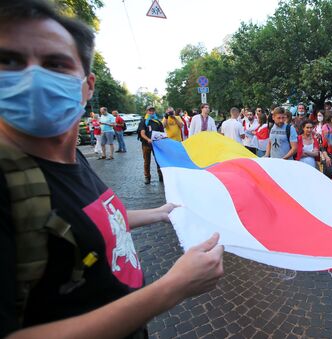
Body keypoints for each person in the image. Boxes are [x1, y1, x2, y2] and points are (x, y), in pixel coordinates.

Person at [0, 1, 224, 337]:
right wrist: (172, 287)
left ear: (87, 85)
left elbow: (96, 219)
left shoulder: (74, 158)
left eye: (55, 64)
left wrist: (160, 212)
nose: (34, 76)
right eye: (10, 61)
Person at [138, 106, 164, 185]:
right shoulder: (144, 121)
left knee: (158, 160)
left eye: (153, 111)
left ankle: (161, 176)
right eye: (150, 111)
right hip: (146, 144)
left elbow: (162, 133)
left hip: (156, 145)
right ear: (147, 111)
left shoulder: (158, 121)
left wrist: (162, 138)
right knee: (147, 161)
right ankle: (147, 177)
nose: (151, 112)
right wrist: (148, 139)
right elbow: (142, 133)